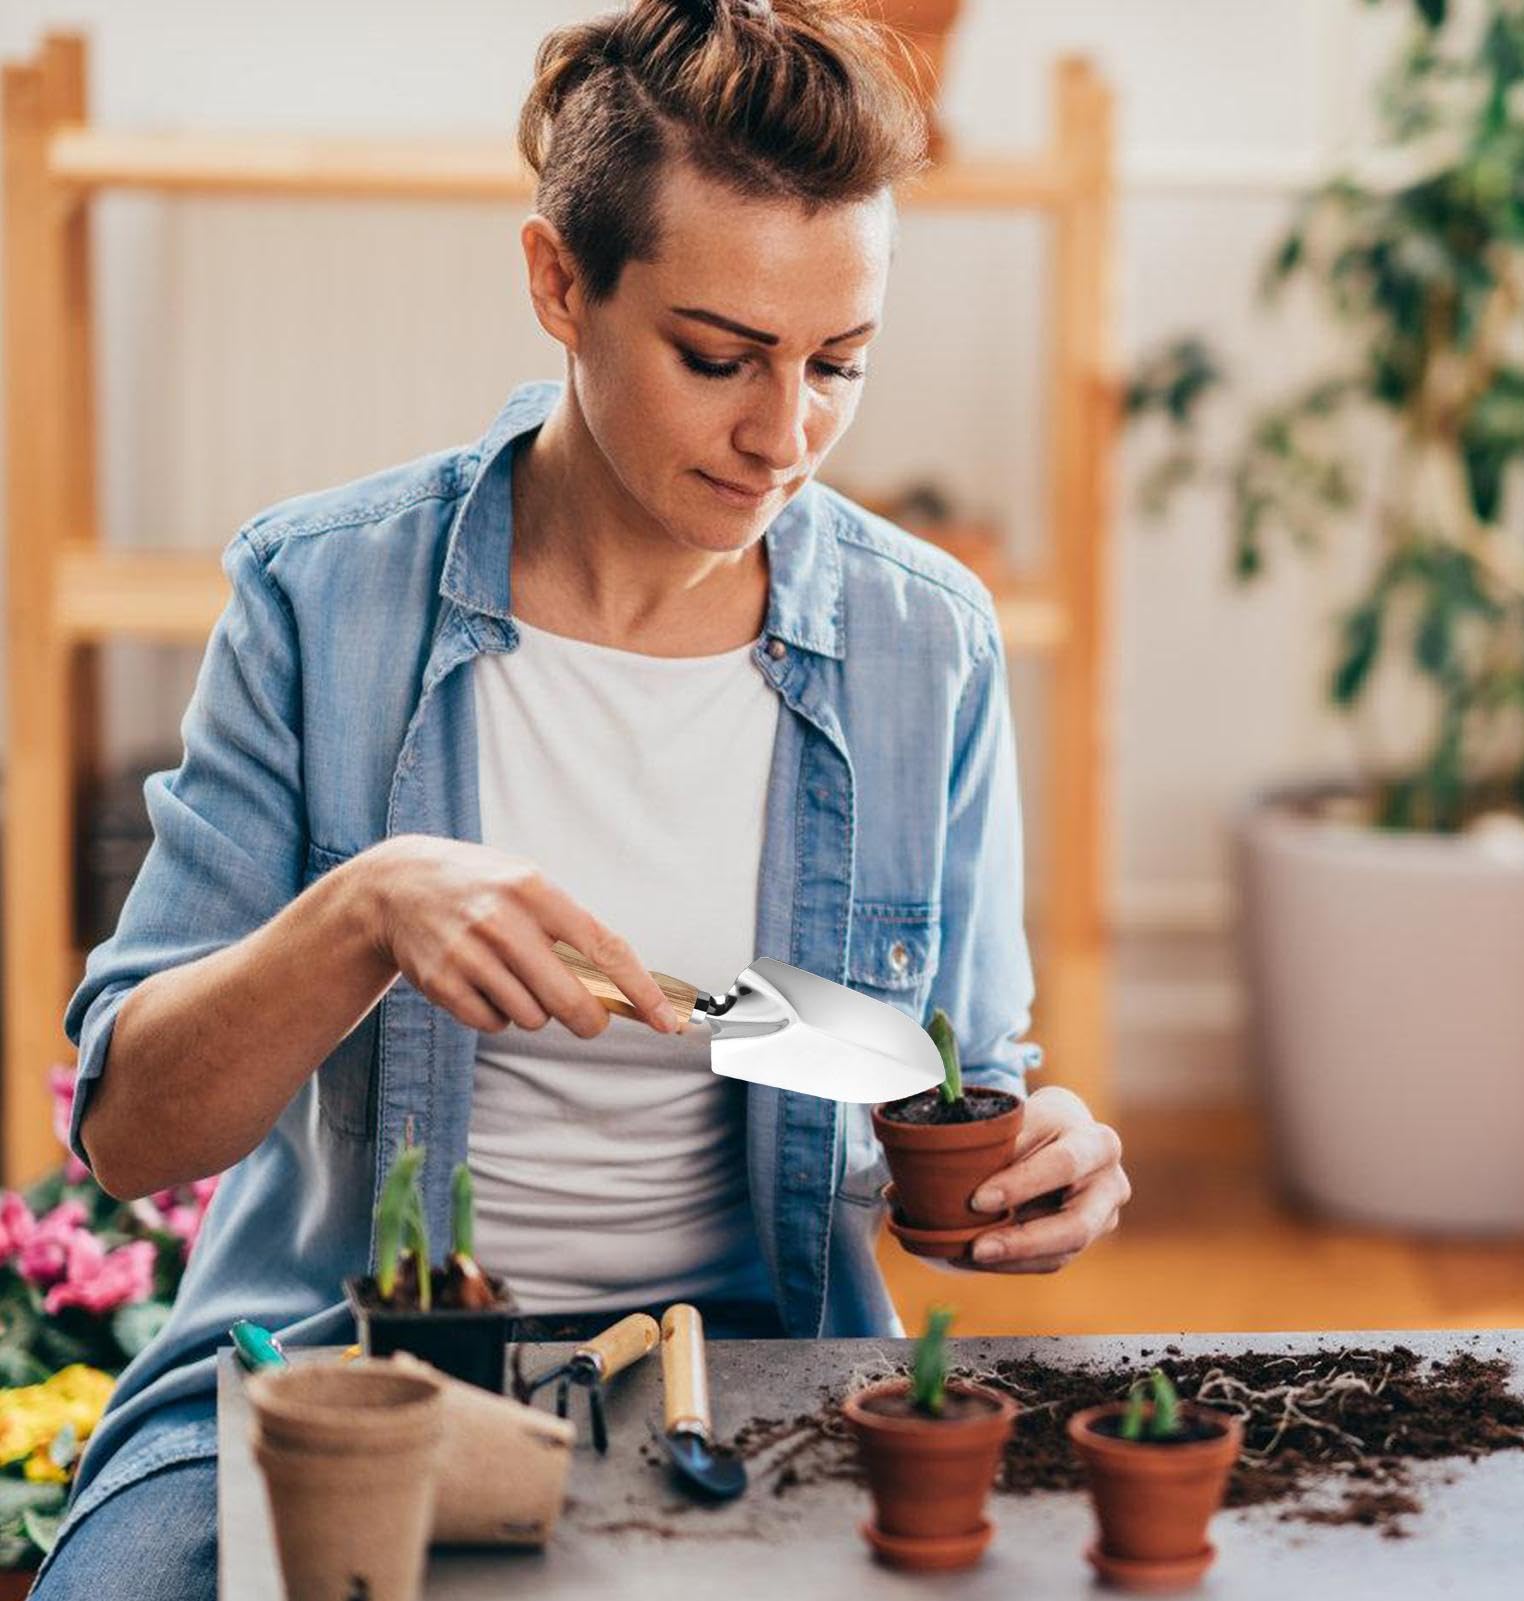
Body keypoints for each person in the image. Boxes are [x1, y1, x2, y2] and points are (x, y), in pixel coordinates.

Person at [31, 1, 1130, 1594]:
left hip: (759, 1375)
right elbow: (132, 1138)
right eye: (716, 356)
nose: (783, 436)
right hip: (335, 1365)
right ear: (560, 281)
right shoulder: (322, 596)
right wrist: (362, 912)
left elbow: (948, 1108)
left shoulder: (920, 644)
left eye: (839, 364)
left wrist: (1036, 1162)